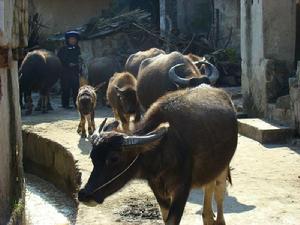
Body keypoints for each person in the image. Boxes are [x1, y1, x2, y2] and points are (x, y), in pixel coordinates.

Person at [57, 31, 82, 109]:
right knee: (65, 88)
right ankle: (65, 104)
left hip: (75, 71)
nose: (73, 41)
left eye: (74, 39)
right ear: (68, 40)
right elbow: (60, 59)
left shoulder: (77, 49)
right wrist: (68, 64)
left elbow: (79, 59)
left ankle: (76, 104)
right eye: (71, 39)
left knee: (76, 88)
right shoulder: (63, 49)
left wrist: (79, 66)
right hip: (65, 72)